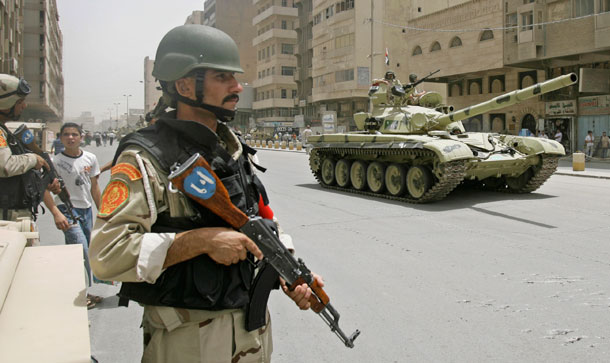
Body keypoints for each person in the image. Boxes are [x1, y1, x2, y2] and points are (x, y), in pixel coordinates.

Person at [89, 25, 319, 362]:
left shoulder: (233, 150)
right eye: (222, 77)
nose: (237, 87)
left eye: (235, 78)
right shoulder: (147, 157)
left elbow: (260, 220)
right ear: (184, 85)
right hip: (188, 340)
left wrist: (291, 272)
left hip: (251, 335)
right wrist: (202, 241)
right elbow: (106, 255)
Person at [43, 122, 102, 308]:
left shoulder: (90, 158)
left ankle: (83, 291)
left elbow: (94, 187)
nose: (70, 138)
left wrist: (104, 212)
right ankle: (81, 296)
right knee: (80, 250)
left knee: (87, 251)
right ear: (61, 138)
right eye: (66, 134)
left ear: (81, 137)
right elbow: (44, 190)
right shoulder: (54, 163)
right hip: (66, 210)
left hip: (86, 210)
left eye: (74, 134)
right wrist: (55, 213)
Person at [0, 74, 58, 227]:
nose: (24, 106)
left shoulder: (4, 130)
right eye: (20, 101)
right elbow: (5, 166)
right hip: (6, 218)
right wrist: (33, 159)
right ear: (6, 103)